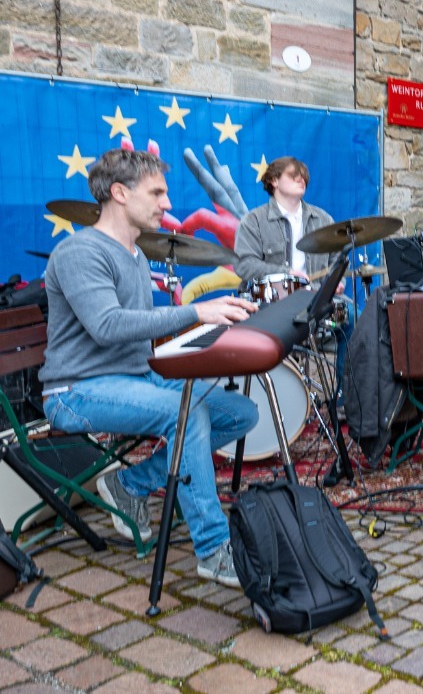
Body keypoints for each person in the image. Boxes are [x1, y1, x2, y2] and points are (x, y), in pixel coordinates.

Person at [38, 149, 258, 586]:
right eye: (157, 192)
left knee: (241, 412)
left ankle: (131, 484)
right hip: (75, 391)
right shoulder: (79, 252)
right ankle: (214, 550)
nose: (167, 204)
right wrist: (196, 314)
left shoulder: (136, 255)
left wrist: (207, 337)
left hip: (132, 377)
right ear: (119, 193)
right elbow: (107, 326)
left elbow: (140, 336)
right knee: (186, 413)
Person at [233, 156, 337, 285]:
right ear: (274, 180)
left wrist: (336, 281)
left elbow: (337, 258)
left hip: (316, 297)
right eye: (293, 175)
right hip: (272, 299)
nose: (301, 180)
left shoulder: (323, 219)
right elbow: (244, 265)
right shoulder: (253, 221)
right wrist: (285, 273)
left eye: (304, 177)